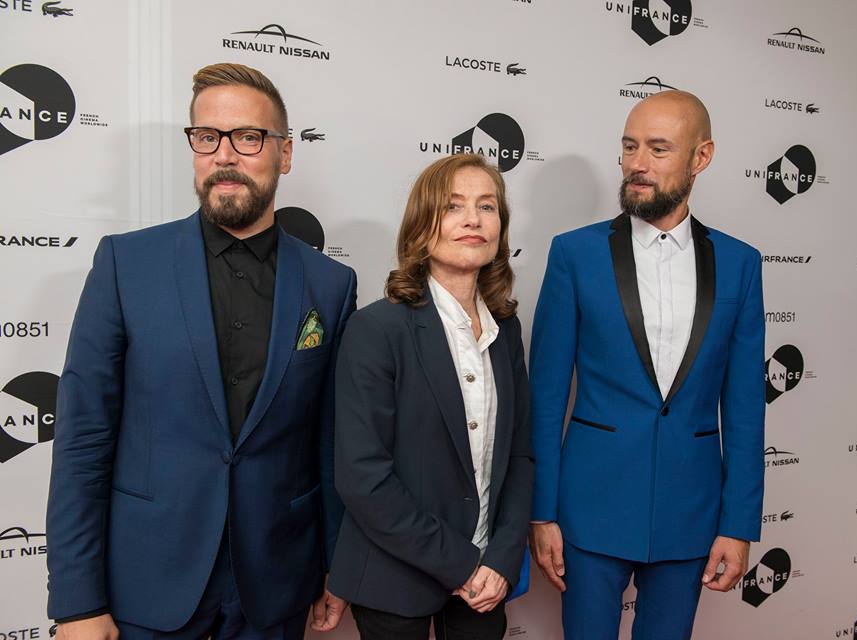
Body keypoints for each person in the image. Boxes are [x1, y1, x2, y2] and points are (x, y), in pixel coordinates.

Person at [46, 62, 356, 639]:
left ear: (284, 154)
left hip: (278, 587)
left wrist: (337, 564)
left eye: (248, 137)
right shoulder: (125, 265)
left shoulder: (331, 286)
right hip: (146, 585)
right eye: (207, 137)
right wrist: (76, 602)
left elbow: (329, 442)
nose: (225, 155)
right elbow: (83, 440)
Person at [528, 90, 765, 640]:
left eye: (658, 149)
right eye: (630, 146)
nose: (638, 163)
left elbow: (747, 407)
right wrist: (543, 513)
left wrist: (738, 524)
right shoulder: (574, 253)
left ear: (700, 158)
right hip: (589, 507)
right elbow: (544, 395)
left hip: (692, 512)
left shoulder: (741, 264)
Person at [328, 154, 533, 640]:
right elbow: (362, 477)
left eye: (487, 206)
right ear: (423, 223)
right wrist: (462, 564)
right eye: (454, 206)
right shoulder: (377, 328)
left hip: (487, 580)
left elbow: (521, 456)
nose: (472, 219)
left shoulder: (506, 330)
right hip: (394, 577)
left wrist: (502, 559)